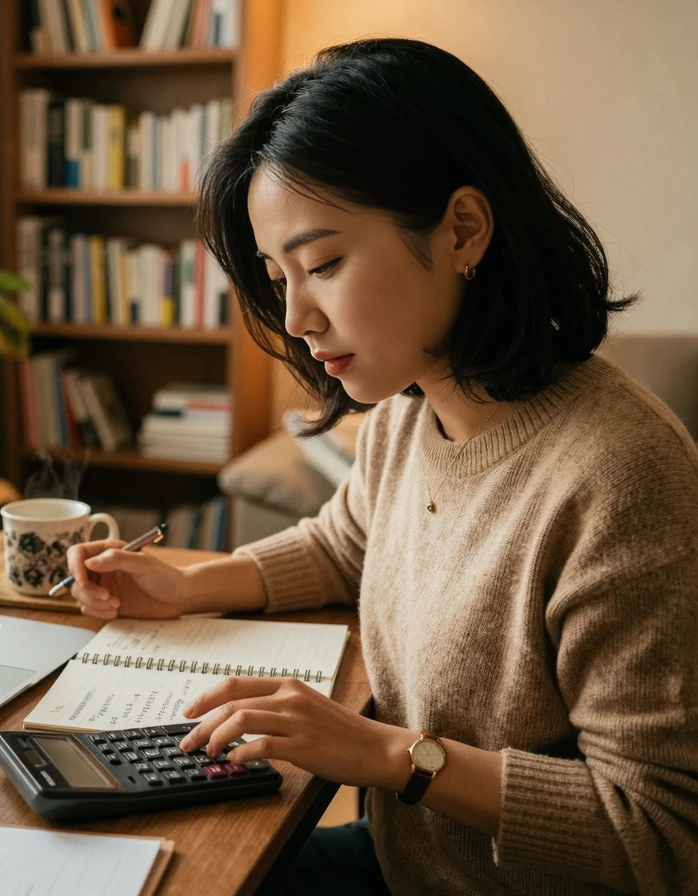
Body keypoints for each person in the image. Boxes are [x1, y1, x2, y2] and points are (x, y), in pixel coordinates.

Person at [64, 38, 698, 896]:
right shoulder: (410, 411)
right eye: (276, 275)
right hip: (408, 867)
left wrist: (386, 755)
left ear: (464, 229)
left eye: (323, 264)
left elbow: (660, 840)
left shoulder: (625, 478)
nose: (297, 318)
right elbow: (343, 543)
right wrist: (186, 586)